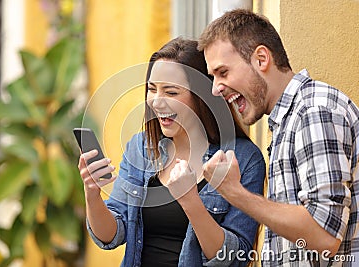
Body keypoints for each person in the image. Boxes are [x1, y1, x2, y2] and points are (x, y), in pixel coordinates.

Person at [78, 37, 266, 266]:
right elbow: (111, 235)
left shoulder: (244, 159)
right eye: (152, 89)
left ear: (202, 98)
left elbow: (235, 258)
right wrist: (93, 194)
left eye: (171, 92)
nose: (156, 102)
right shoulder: (142, 148)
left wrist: (190, 202)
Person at [198, 9, 359, 266]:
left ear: (261, 59)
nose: (215, 89)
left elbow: (324, 235)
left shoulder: (313, 111)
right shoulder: (290, 118)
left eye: (223, 72)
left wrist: (235, 193)